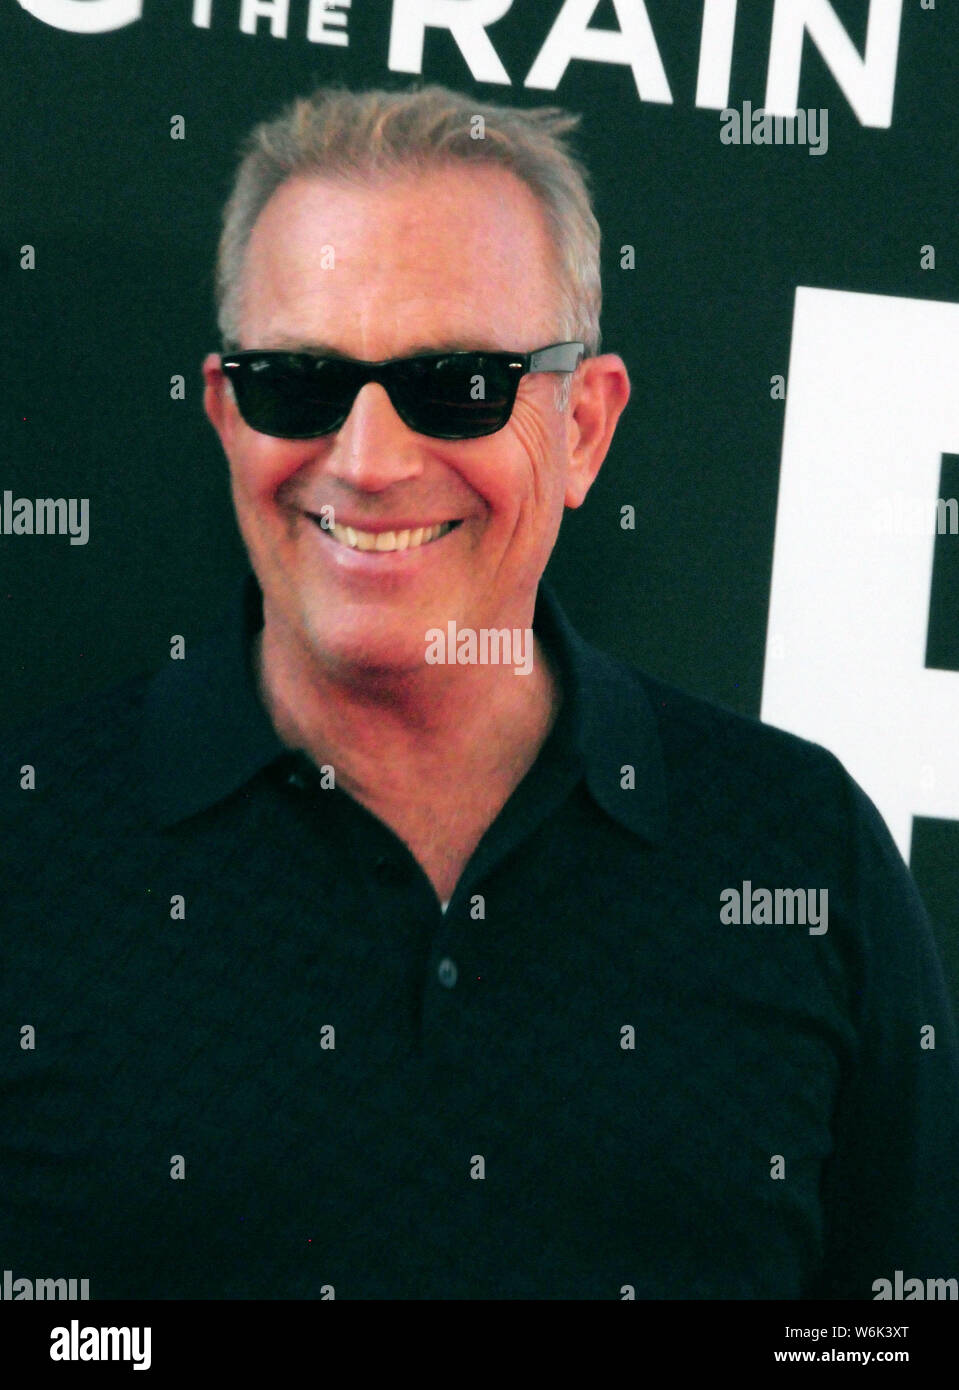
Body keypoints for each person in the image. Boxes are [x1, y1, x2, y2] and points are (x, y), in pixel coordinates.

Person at [2, 83, 957, 1301]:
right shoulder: (28, 846)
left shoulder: (797, 849)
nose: (367, 460)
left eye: (456, 384)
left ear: (583, 428)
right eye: (298, 379)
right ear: (227, 413)